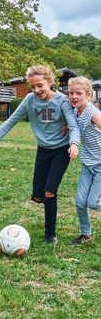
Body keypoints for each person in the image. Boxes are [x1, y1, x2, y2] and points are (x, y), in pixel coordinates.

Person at [0, 65, 80, 244]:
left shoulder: (62, 101)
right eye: (32, 87)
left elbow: (73, 124)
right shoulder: (29, 100)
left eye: (40, 85)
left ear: (50, 82)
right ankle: (41, 198)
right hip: (43, 150)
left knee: (50, 192)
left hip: (61, 151)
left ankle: (50, 234)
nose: (36, 90)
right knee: (38, 196)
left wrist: (73, 144)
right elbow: (12, 120)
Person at [67, 76, 101, 245]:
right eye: (71, 93)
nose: (74, 96)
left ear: (88, 95)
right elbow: (76, 127)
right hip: (87, 164)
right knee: (81, 203)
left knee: (93, 203)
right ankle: (85, 233)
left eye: (78, 93)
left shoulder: (92, 113)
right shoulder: (75, 111)